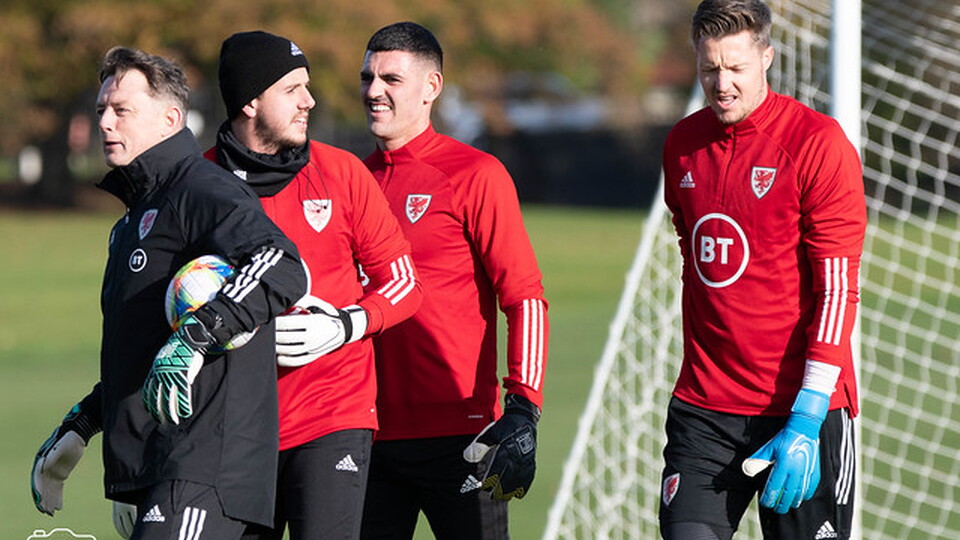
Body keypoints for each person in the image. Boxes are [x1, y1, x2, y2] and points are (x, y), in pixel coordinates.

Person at [30, 46, 307, 539]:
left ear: (170, 119)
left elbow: (281, 263)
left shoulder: (201, 188)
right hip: (162, 469)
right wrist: (83, 423)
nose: (105, 123)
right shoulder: (132, 220)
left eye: (122, 110)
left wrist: (197, 336)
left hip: (205, 468)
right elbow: (143, 350)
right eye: (101, 110)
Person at [658, 1, 866, 539]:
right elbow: (692, 253)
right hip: (705, 410)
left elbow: (837, 289)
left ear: (767, 58)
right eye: (709, 68)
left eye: (736, 68)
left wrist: (809, 412)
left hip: (802, 410)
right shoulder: (682, 146)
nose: (721, 83)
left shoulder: (817, 144)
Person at [205, 31, 423, 540]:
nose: (310, 100)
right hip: (232, 427)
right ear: (250, 102)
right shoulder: (197, 184)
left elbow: (404, 284)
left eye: (307, 86)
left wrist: (345, 326)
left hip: (332, 415)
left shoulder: (341, 172)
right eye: (292, 89)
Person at [357, 22, 549, 540]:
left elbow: (525, 297)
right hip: (366, 435)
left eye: (391, 79)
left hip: (464, 438)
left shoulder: (475, 174)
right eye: (368, 77)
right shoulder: (351, 181)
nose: (374, 91)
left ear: (432, 87)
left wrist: (523, 408)